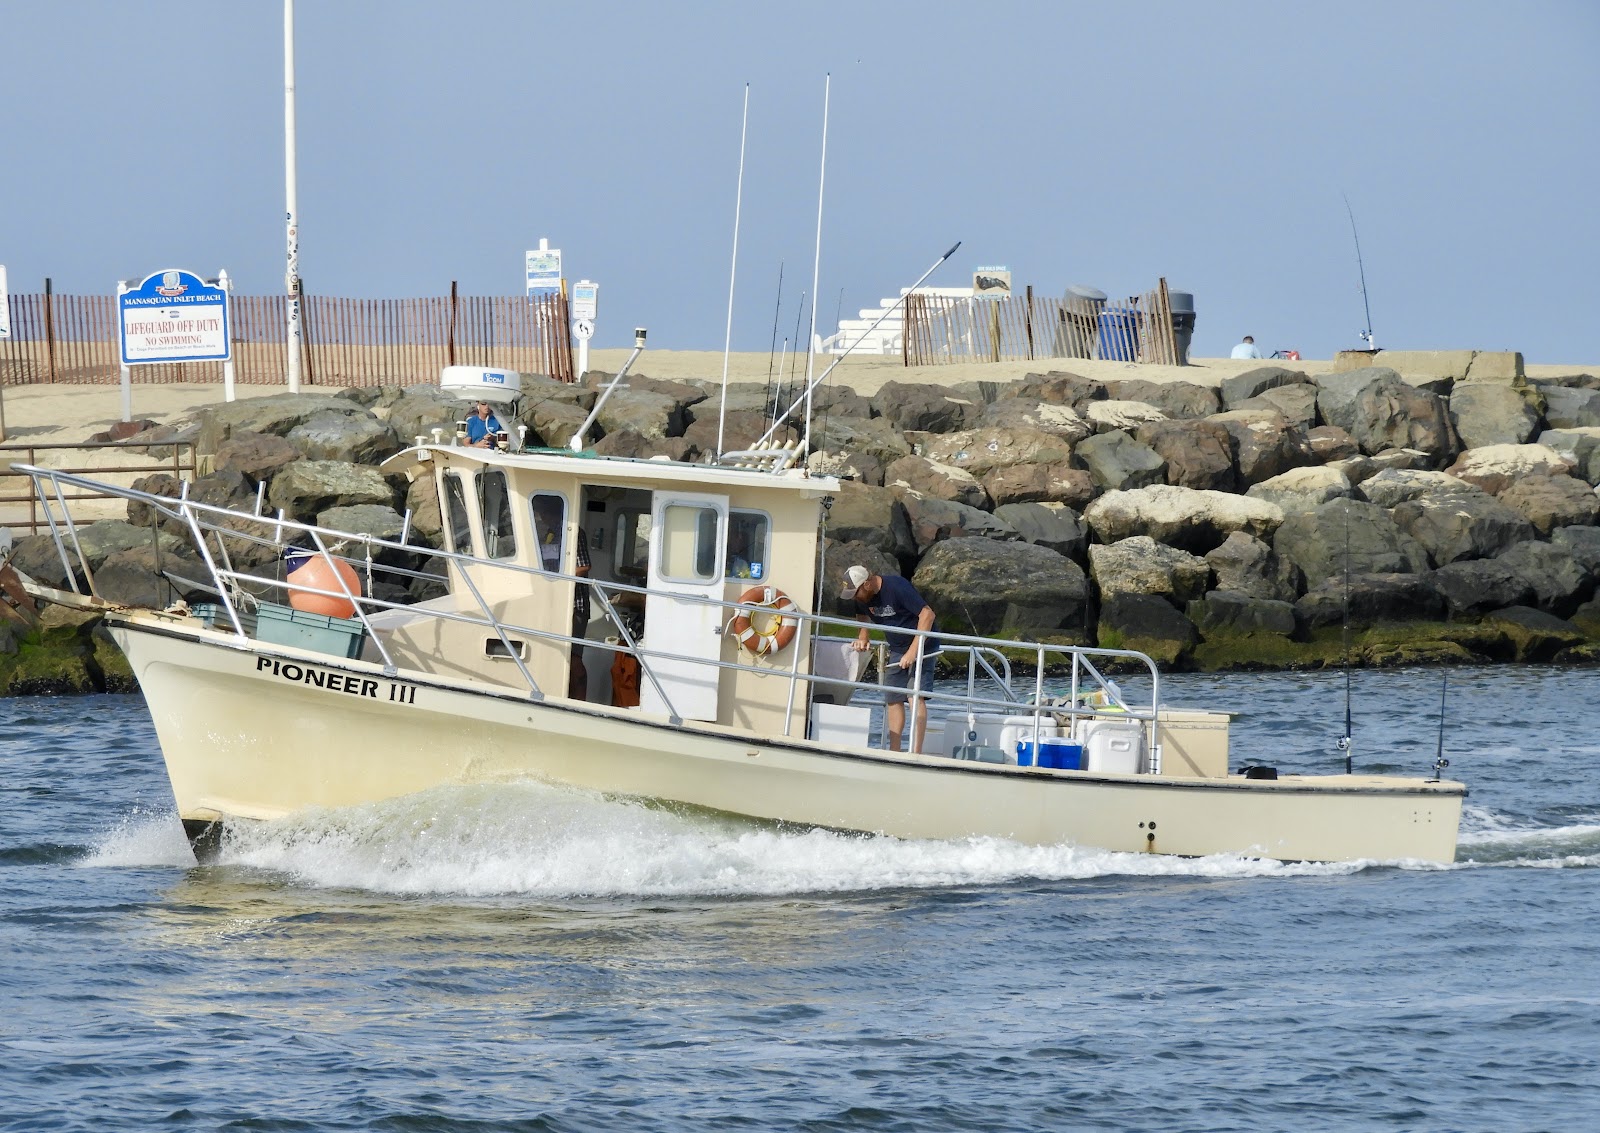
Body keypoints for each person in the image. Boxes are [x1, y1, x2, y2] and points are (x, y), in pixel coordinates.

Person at [841, 565, 940, 754]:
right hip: (897, 647)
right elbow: (861, 614)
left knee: (914, 695)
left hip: (923, 644)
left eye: (855, 593)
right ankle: (894, 751)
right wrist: (863, 636)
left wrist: (913, 652)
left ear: (867, 584)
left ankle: (915, 752)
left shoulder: (897, 587)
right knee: (893, 697)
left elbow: (928, 614)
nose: (855, 598)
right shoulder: (861, 597)